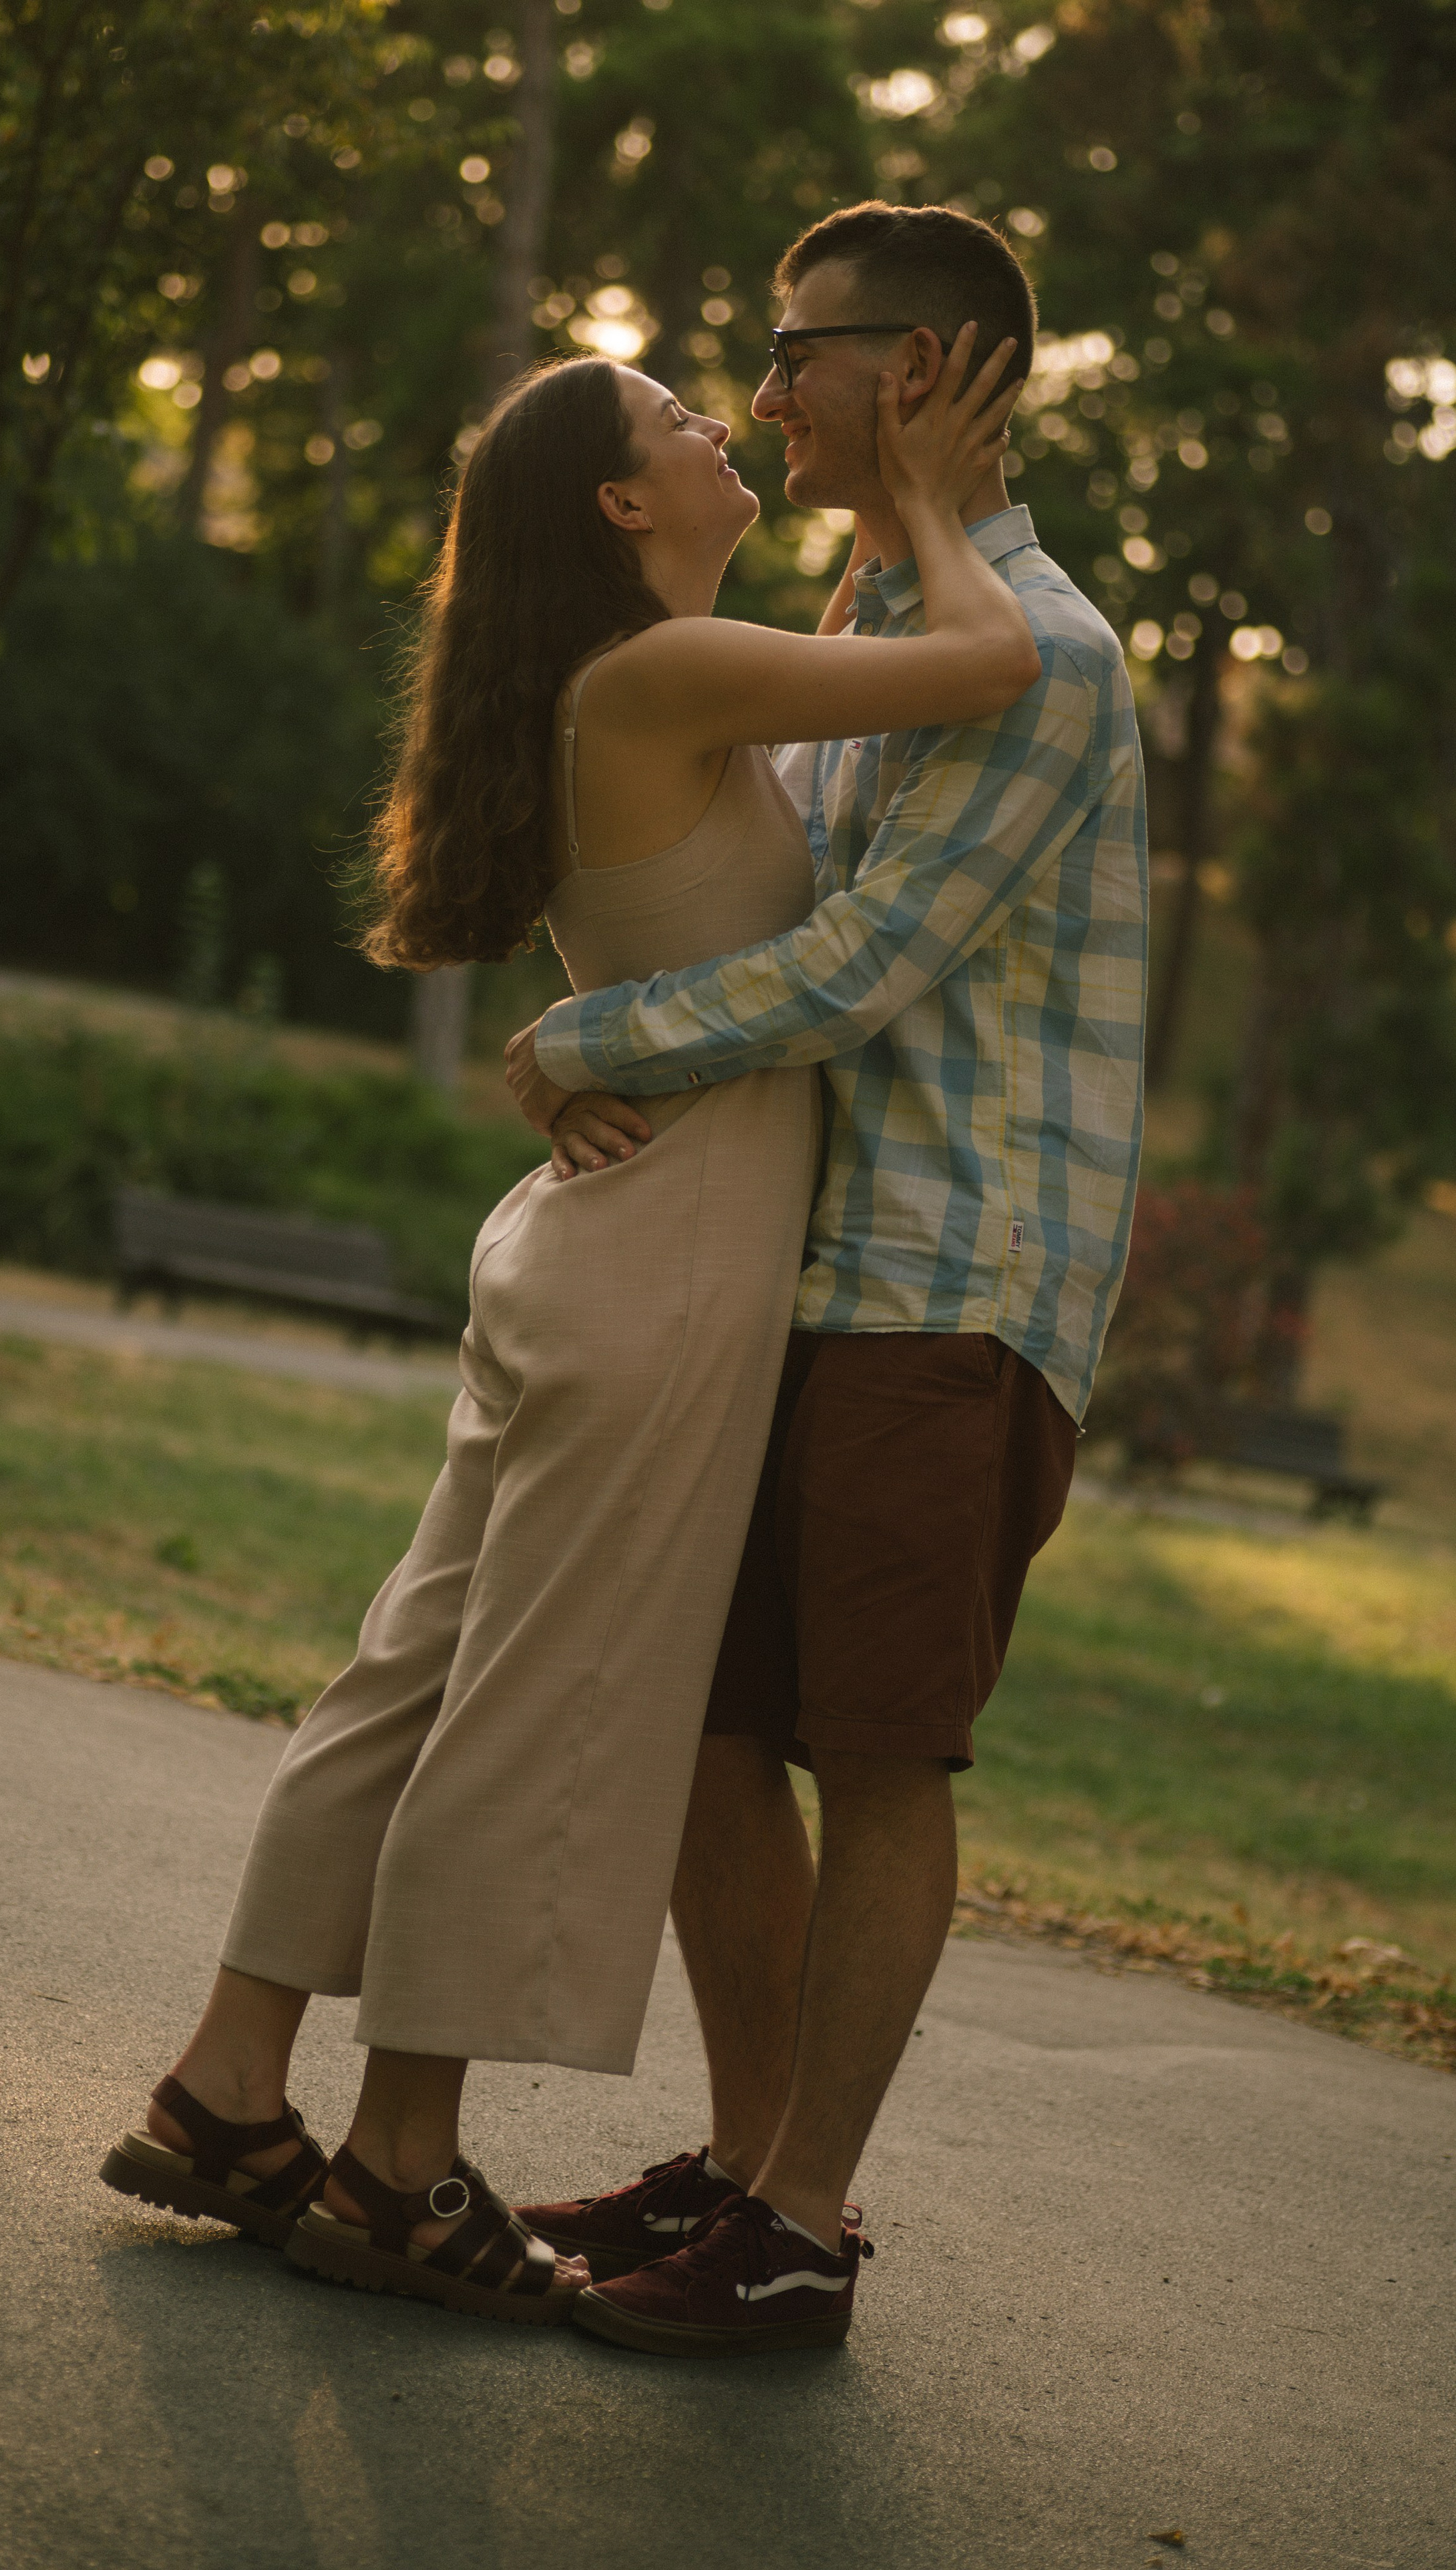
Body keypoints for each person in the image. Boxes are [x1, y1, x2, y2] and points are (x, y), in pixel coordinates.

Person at [98, 316, 1037, 2332]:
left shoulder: (630, 678)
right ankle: (404, 2163)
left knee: (414, 1677)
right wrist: (947, 505)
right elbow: (994, 665)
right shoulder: (673, 670)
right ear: (623, 502)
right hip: (668, 1253)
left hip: (581, 1243)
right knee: (537, 1706)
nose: (724, 429)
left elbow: (803, 764)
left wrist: (555, 1048)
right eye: (687, 419)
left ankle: (229, 2086)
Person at [504, 201, 1149, 2358]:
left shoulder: (1040, 651)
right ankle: (751, 2163)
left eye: (804, 355)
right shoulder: (875, 621)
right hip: (806, 1276)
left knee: (877, 1755)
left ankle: (799, 2226)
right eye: (756, 362)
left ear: (939, 373)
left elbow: (860, 969)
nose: (766, 395)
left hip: (951, 1296)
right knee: (707, 1727)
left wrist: (577, 1045)